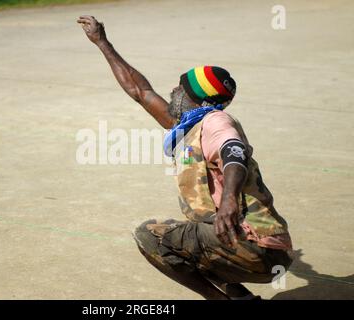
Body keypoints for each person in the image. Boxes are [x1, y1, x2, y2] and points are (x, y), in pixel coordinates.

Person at [77, 15, 293, 300]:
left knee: (151, 236)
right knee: (193, 237)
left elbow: (234, 152)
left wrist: (229, 199)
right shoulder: (189, 125)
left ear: (195, 98)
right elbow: (140, 91)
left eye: (180, 87)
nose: (173, 90)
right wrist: (102, 42)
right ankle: (240, 296)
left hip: (253, 245)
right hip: (267, 252)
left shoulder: (216, 122)